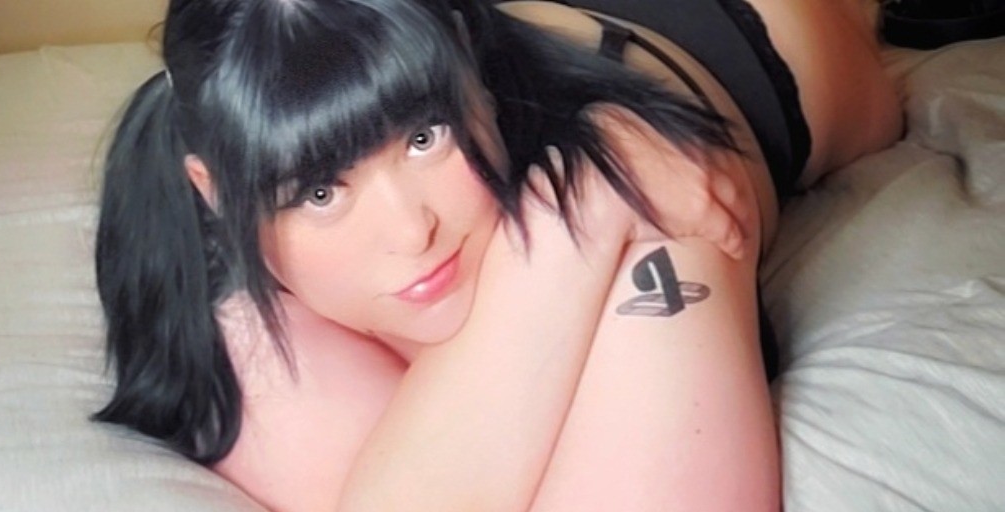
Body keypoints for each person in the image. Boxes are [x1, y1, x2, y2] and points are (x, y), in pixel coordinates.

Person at [93, 0, 903, 510]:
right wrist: (572, 235)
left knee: (869, 64)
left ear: (470, 83)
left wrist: (583, 202)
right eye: (320, 193)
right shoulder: (193, 254)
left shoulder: (630, 169)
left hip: (739, 33)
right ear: (212, 190)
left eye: (424, 138)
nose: (411, 232)